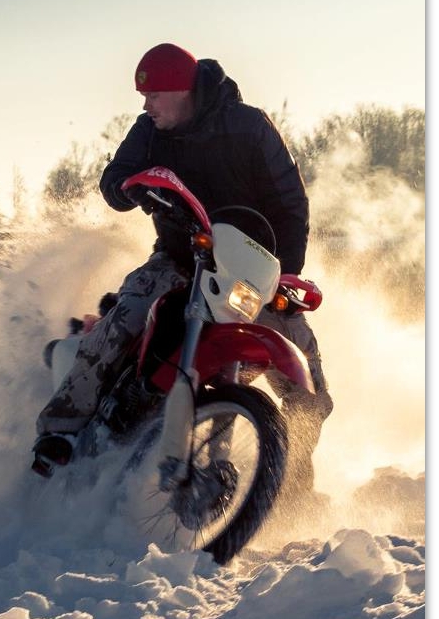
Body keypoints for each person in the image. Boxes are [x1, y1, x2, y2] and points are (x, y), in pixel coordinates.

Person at [32, 42, 333, 480]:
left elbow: (290, 201)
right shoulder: (148, 132)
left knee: (306, 367)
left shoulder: (249, 126)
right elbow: (115, 177)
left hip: (251, 271)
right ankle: (61, 431)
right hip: (179, 258)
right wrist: (131, 188)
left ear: (182, 90)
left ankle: (292, 479)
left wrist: (286, 271)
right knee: (127, 315)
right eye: (143, 96)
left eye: (153, 95)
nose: (146, 105)